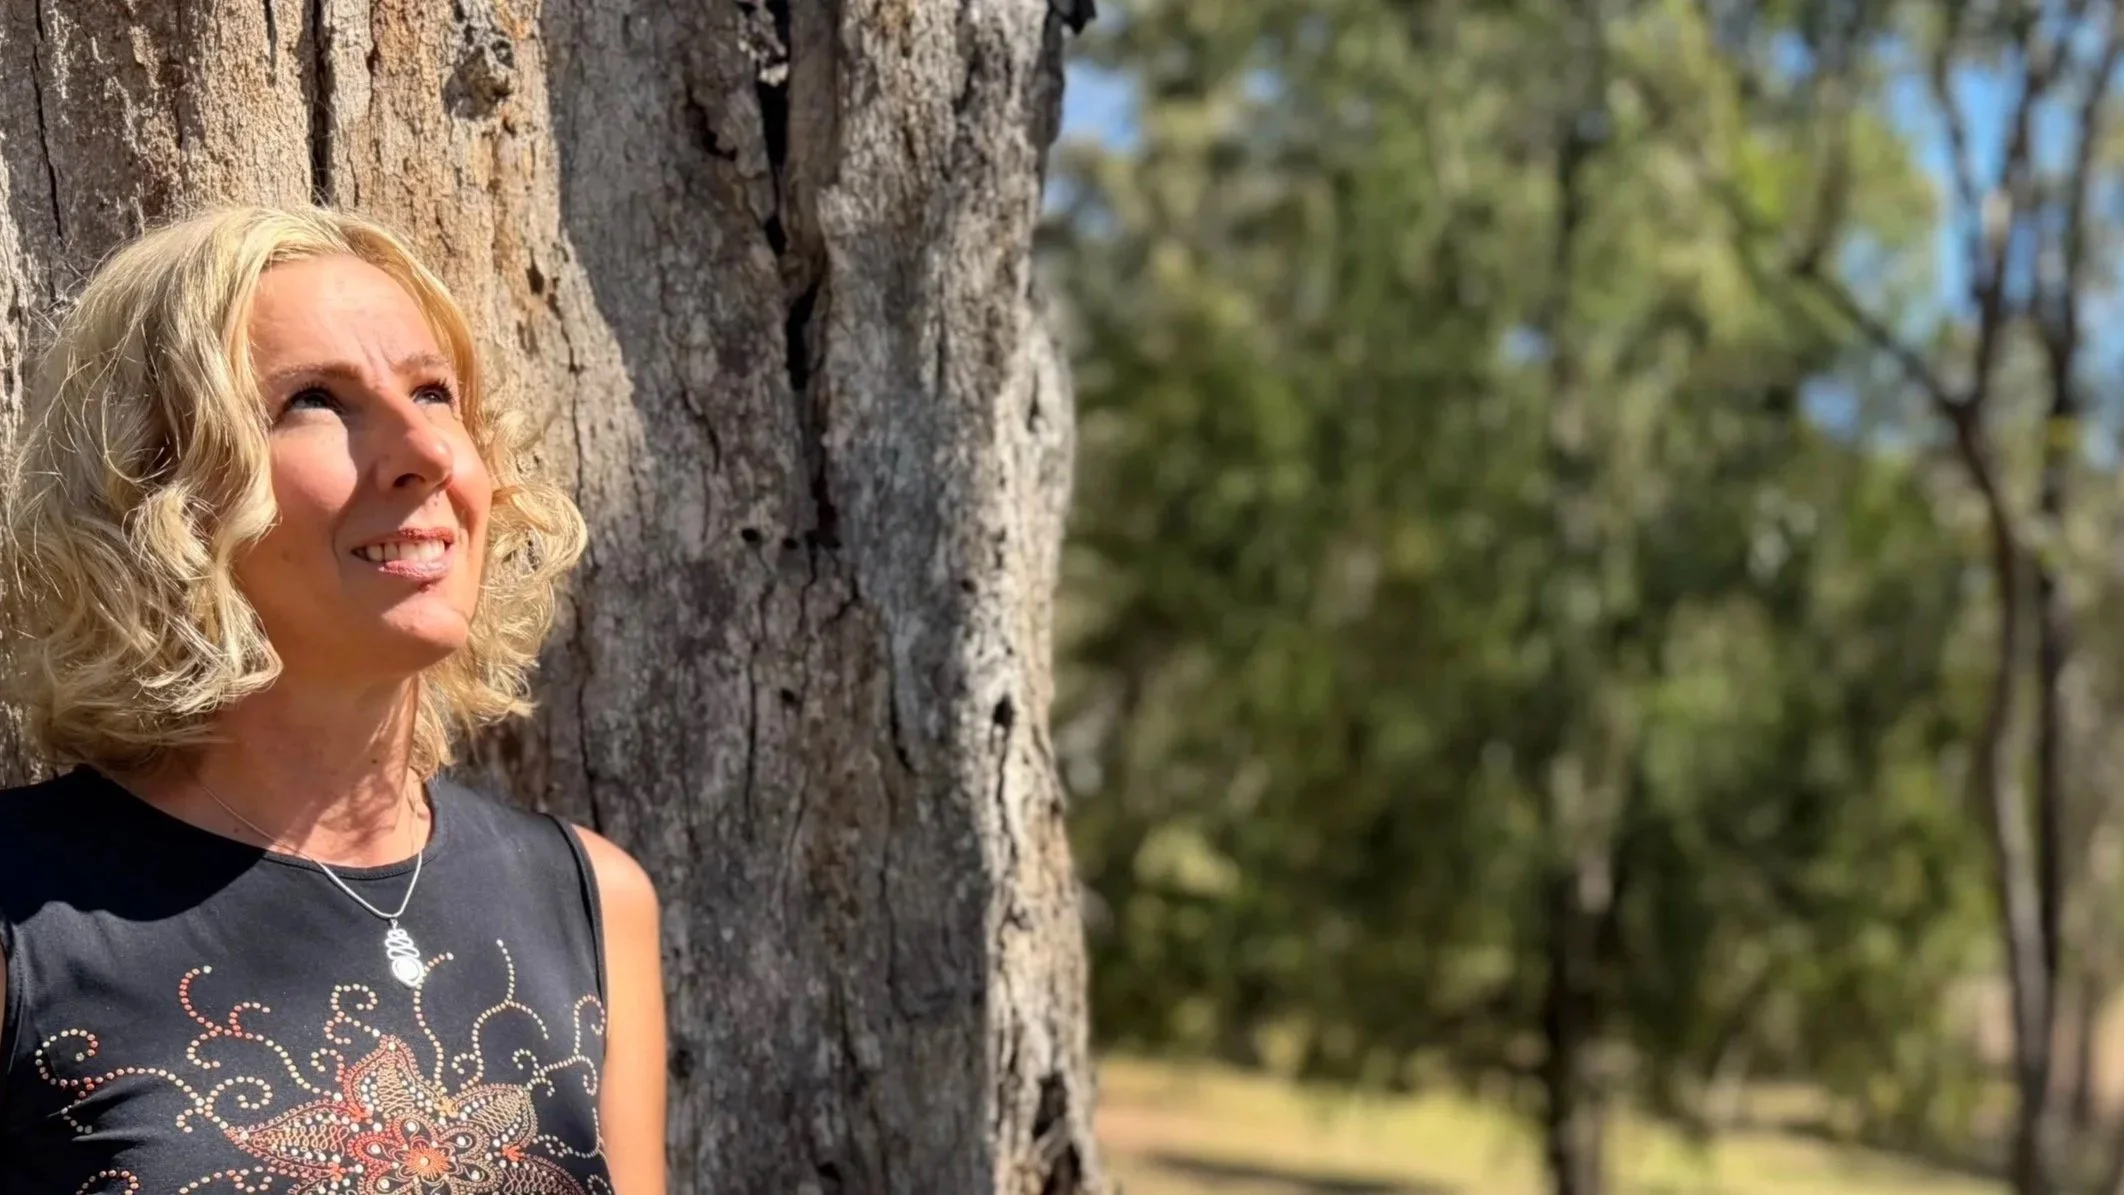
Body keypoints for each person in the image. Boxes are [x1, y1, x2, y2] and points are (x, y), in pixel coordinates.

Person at [0, 206, 668, 1194]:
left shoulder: (591, 901)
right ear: (160, 484)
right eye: (315, 399)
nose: (422, 451)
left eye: (433, 392)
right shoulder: (25, 919)